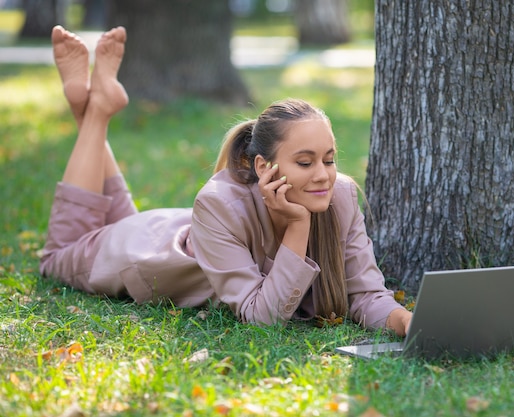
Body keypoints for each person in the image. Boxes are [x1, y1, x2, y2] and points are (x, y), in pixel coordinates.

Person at [40, 26, 413, 337]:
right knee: (58, 254)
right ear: (264, 166)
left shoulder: (340, 195)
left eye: (329, 160)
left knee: (118, 211)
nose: (323, 175)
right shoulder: (219, 201)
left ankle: (89, 110)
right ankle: (94, 112)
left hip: (181, 227)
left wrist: (406, 322)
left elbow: (365, 294)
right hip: (137, 252)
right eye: (304, 162)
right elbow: (263, 318)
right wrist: (298, 225)